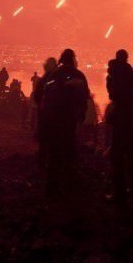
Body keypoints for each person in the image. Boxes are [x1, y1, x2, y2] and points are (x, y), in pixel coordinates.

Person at [38, 49, 89, 197]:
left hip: (54, 121)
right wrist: (81, 116)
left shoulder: (54, 75)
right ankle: (70, 187)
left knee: (54, 155)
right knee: (69, 154)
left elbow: (44, 97)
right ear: (73, 59)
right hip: (69, 121)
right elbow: (84, 98)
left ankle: (52, 188)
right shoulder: (79, 75)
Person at [107, 50, 133, 203]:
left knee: (118, 156)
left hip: (122, 121)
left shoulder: (126, 78)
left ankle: (119, 192)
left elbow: (114, 95)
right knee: (132, 155)